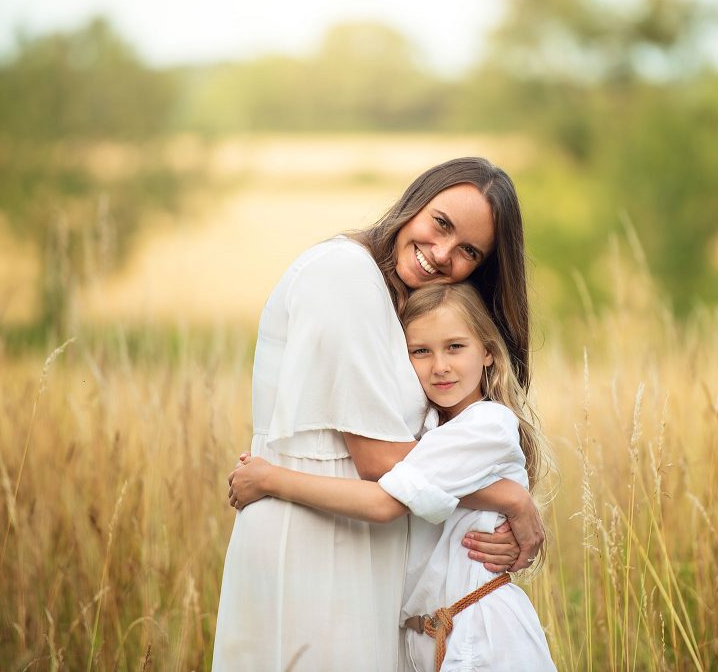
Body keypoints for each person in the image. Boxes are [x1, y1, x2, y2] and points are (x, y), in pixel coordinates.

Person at [212, 158, 544, 671]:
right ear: (415, 202)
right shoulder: (347, 274)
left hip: (351, 546)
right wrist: (510, 497)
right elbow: (379, 459)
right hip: (314, 543)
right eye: (441, 224)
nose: (441, 253)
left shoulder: (396, 301)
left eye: (468, 252)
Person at [229, 284, 556, 672]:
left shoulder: (486, 426)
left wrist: (272, 480)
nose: (440, 366)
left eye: (455, 347)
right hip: (432, 635)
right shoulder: (429, 430)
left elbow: (384, 504)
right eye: (421, 351)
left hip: (481, 634)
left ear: (487, 351)